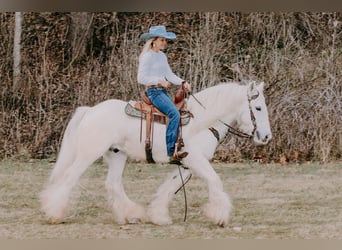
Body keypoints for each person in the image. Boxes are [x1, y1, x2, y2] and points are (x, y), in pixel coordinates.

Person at [137, 25, 191, 165]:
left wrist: (182, 82)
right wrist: (159, 81)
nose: (164, 43)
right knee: (174, 113)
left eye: (165, 40)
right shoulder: (147, 56)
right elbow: (141, 78)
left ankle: (178, 145)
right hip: (153, 92)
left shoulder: (162, 56)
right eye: (162, 40)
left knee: (181, 111)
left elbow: (169, 75)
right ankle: (171, 151)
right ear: (153, 41)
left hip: (162, 92)